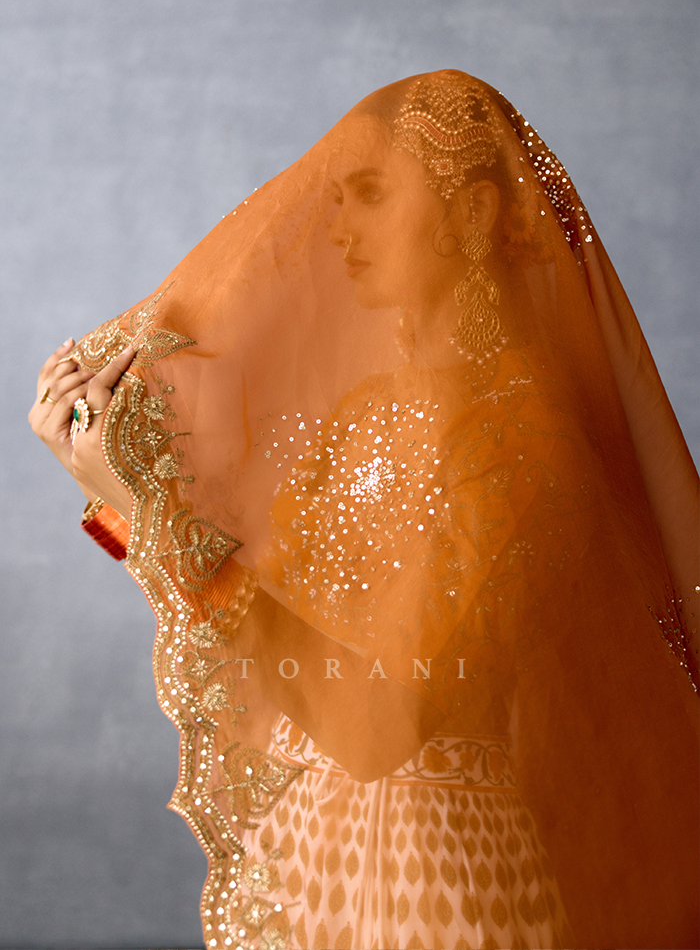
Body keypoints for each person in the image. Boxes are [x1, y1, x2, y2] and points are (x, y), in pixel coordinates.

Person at [30, 70, 699, 950]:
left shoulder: (526, 439)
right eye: (339, 198)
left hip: (436, 875)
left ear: (473, 211)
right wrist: (118, 487)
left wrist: (150, 513)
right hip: (315, 858)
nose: (339, 228)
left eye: (373, 194)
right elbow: (270, 634)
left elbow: (383, 724)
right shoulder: (368, 412)